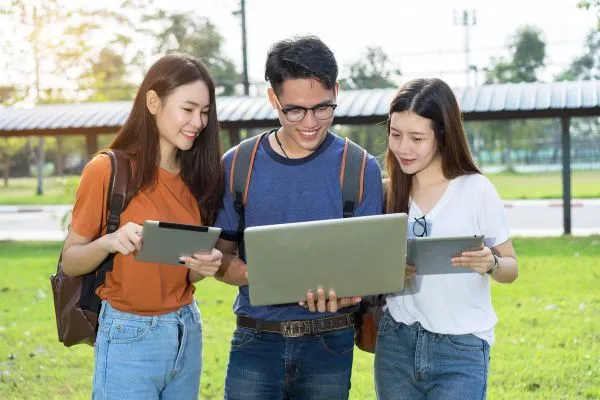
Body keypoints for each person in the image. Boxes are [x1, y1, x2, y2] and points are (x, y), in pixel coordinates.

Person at [214, 35, 383, 400]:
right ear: (273, 98)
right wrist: (263, 276)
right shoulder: (237, 165)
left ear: (336, 90)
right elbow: (220, 260)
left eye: (323, 108)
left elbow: (369, 270)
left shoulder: (359, 168)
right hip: (255, 340)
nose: (310, 122)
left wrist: (346, 296)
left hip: (330, 344)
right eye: (295, 110)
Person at [61, 53, 224, 400]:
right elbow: (71, 261)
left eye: (205, 112)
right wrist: (109, 242)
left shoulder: (200, 178)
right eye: (188, 109)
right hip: (128, 333)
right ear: (153, 101)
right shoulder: (107, 170)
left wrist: (203, 266)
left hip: (186, 329)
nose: (198, 122)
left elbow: (186, 274)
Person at [374, 77, 519, 400]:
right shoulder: (385, 191)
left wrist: (491, 262)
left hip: (461, 348)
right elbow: (365, 268)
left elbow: (511, 268)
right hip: (396, 343)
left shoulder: (476, 190)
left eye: (416, 138)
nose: (403, 148)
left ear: (442, 135)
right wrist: (387, 273)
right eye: (395, 134)